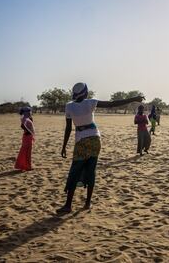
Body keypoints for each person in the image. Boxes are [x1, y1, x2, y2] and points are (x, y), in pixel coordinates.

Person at [57, 82, 144, 214]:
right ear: (85, 93)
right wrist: (133, 99)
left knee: (75, 170)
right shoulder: (91, 102)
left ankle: (68, 205)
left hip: (80, 141)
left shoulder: (69, 106)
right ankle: (87, 203)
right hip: (95, 139)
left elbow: (68, 128)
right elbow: (112, 103)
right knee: (91, 170)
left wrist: (64, 146)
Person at [15, 107, 35, 171]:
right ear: (25, 112)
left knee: (25, 151)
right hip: (27, 137)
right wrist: (28, 131)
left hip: (28, 136)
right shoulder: (25, 119)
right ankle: (28, 166)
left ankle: (25, 165)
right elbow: (22, 126)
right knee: (27, 152)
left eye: (30, 111)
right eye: (28, 112)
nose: (30, 113)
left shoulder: (26, 118)